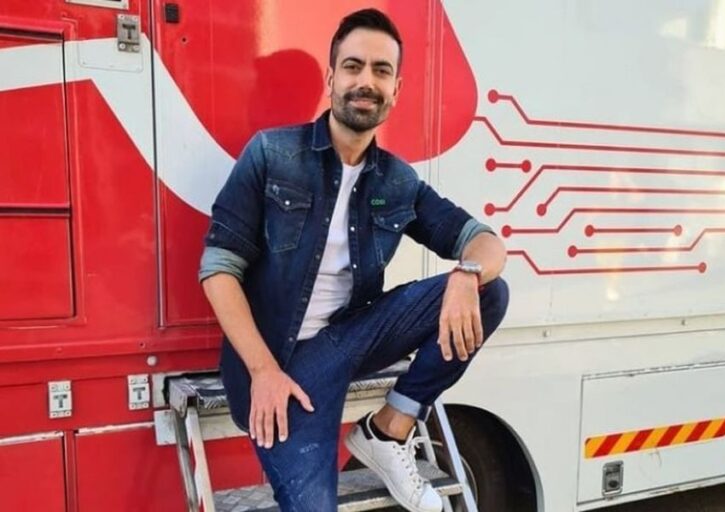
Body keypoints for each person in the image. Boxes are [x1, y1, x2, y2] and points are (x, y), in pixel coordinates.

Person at [199, 8, 509, 512]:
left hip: (352, 337)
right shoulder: (272, 154)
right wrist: (263, 371)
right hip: (281, 362)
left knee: (490, 291)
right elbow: (218, 269)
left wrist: (466, 273)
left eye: (381, 71)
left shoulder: (398, 181)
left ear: (396, 90)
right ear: (332, 79)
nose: (366, 81)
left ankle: (389, 429)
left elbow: (486, 243)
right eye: (353, 66)